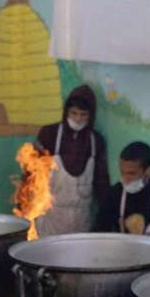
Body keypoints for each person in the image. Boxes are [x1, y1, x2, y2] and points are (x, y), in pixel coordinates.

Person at [32, 85, 109, 237]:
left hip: (82, 219)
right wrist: (25, 205)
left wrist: (107, 213)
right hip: (51, 216)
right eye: (74, 113)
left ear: (91, 115)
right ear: (66, 111)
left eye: (83, 114)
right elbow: (32, 172)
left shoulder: (96, 141)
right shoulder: (49, 134)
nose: (78, 119)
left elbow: (101, 183)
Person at [94, 142, 150, 242]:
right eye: (122, 172)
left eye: (131, 174)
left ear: (149, 171)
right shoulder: (114, 195)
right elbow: (99, 231)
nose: (125, 179)